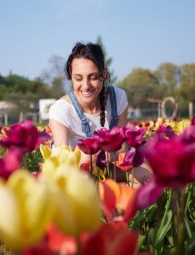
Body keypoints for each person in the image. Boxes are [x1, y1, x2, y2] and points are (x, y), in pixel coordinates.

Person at [48, 42, 151, 187]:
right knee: (85, 158)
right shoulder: (60, 110)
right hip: (78, 178)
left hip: (114, 168)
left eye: (93, 77)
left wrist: (100, 158)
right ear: (71, 77)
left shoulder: (118, 98)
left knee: (149, 178)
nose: (85, 85)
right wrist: (92, 158)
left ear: (103, 74)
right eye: (78, 78)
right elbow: (61, 162)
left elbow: (122, 152)